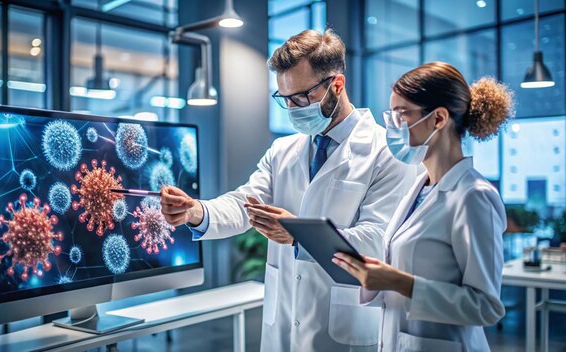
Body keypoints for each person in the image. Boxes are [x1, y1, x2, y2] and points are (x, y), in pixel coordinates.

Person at [160, 29, 417, 351]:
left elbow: (380, 239)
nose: (294, 108)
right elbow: (246, 203)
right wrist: (197, 211)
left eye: (301, 98)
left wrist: (299, 235)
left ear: (336, 85)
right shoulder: (284, 150)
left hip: (345, 327)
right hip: (283, 323)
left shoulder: (387, 153)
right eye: (285, 99)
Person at [333, 62, 514, 351]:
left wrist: (400, 282)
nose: (392, 126)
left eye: (400, 115)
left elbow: (486, 307)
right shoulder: (418, 188)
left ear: (439, 119)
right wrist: (376, 277)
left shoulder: (473, 196)